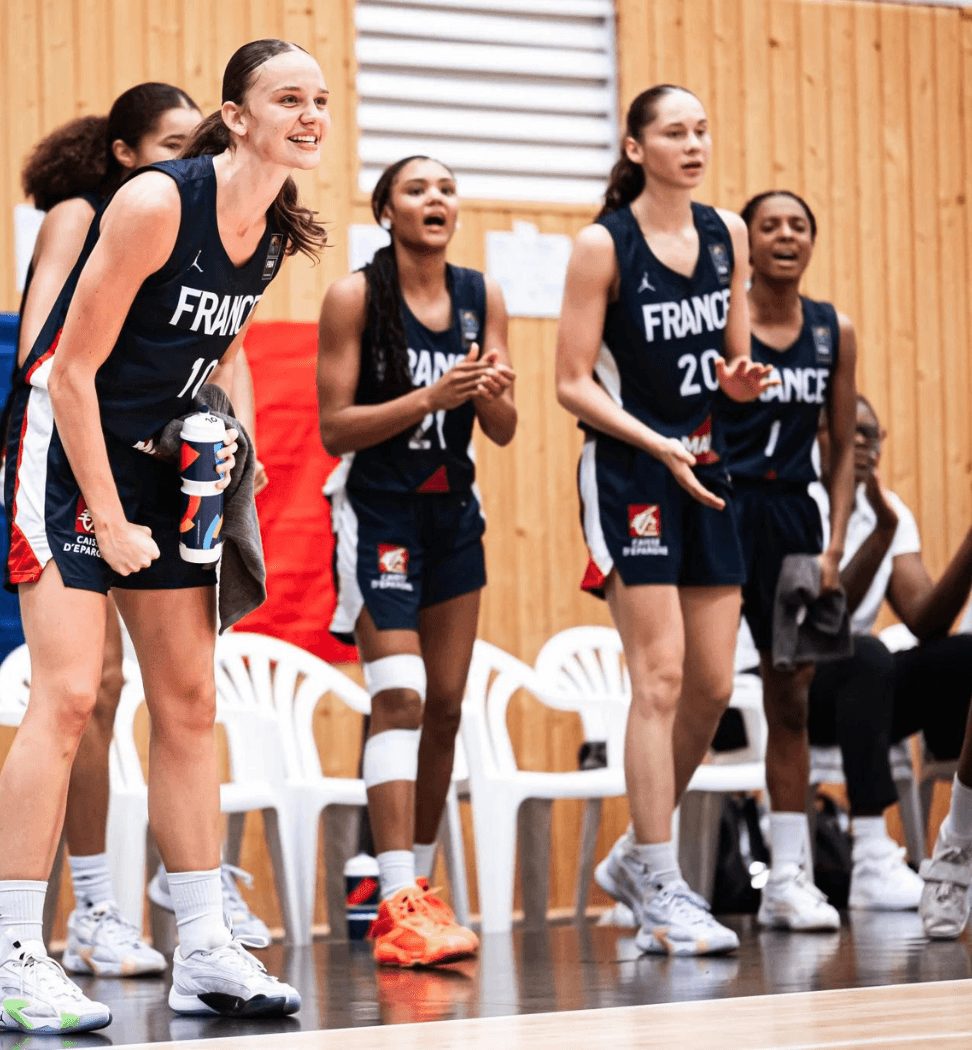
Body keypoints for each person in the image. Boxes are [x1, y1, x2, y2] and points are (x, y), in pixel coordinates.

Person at [0, 39, 328, 1032]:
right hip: (67, 449)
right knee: (71, 696)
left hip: (160, 455)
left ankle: (204, 947)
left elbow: (206, 353)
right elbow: (69, 370)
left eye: (320, 100)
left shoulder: (271, 227)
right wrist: (108, 513)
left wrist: (223, 444)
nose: (309, 115)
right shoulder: (152, 204)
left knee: (189, 699)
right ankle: (17, 956)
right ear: (236, 115)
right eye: (287, 98)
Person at [555, 83, 775, 956]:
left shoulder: (724, 233)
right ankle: (661, 880)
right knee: (656, 677)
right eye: (674, 132)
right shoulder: (599, 246)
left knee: (713, 688)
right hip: (628, 471)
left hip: (703, 465)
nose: (693, 144)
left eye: (701, 130)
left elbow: (732, 350)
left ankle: (633, 858)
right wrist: (659, 441)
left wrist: (734, 383)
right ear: (636, 146)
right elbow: (571, 379)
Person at [316, 155, 516, 967]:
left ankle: (418, 892)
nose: (435, 200)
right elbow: (334, 427)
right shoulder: (354, 296)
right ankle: (395, 891)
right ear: (386, 211)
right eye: (416, 189)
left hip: (451, 515)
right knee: (397, 695)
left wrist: (488, 389)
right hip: (379, 509)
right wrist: (428, 398)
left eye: (445, 189)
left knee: (444, 706)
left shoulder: (481, 295)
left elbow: (502, 428)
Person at [803, 397, 972, 930]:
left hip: (861, 691)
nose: (865, 442)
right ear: (815, 434)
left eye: (874, 433)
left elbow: (924, 620)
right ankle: (870, 853)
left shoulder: (885, 507)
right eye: (851, 430)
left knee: (970, 656)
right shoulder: (792, 501)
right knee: (864, 653)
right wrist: (879, 536)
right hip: (791, 686)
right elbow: (817, 628)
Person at [719, 190, 856, 931]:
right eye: (766, 225)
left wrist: (832, 541)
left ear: (811, 241)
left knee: (791, 698)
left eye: (796, 225)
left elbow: (839, 447)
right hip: (722, 504)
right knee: (704, 691)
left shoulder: (833, 329)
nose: (782, 235)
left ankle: (788, 876)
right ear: (746, 245)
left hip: (794, 518)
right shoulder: (718, 317)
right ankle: (650, 860)